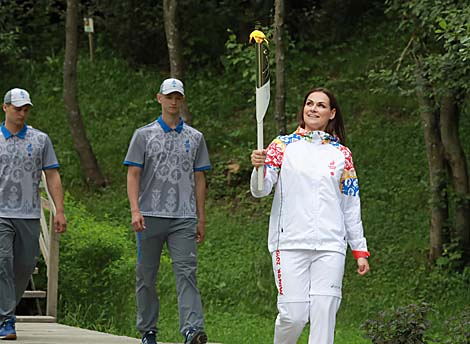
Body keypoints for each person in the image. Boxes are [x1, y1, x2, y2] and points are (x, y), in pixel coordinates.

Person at [250, 87, 370, 344]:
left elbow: (350, 204)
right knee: (293, 316)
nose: (313, 109)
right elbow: (261, 190)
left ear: (332, 113)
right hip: (290, 243)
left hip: (330, 245)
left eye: (321, 105)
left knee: (324, 314)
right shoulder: (281, 146)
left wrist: (359, 249)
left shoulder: (342, 154)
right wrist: (259, 168)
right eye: (309, 103)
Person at [124, 78, 210, 344]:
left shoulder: (195, 138)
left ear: (182, 100)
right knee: (146, 274)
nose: (174, 101)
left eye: (178, 97)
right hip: (150, 215)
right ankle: (148, 330)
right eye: (169, 96)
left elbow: (199, 178)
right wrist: (135, 210)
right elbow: (133, 173)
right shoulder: (144, 135)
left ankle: (192, 329)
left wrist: (200, 216)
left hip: (183, 216)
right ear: (159, 98)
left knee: (187, 272)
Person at [0, 88, 67, 340]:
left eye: (25, 109)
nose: (22, 113)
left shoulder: (40, 140)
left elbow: (52, 175)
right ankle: (7, 318)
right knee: (2, 263)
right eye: (17, 108)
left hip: (29, 213)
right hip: (1, 213)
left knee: (24, 266)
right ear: (5, 107)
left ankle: (3, 311)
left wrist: (59, 210)